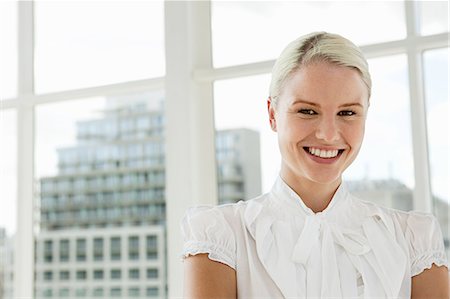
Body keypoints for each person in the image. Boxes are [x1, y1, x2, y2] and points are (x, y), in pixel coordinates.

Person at [181, 32, 449, 298]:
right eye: (307, 111)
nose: (328, 134)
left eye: (347, 113)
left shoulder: (414, 240)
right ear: (272, 115)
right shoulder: (220, 236)